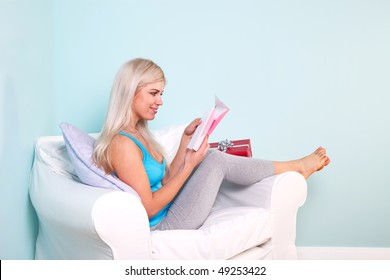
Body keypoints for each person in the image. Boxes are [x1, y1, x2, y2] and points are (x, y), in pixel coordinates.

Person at [93, 58, 330, 230]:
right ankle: (297, 166)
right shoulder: (122, 144)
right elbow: (150, 208)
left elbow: (164, 181)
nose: (160, 101)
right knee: (215, 159)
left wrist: (187, 141)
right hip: (162, 224)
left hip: (171, 209)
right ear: (130, 92)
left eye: (162, 94)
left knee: (210, 157)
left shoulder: (139, 133)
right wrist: (189, 166)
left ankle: (295, 168)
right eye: (153, 93)